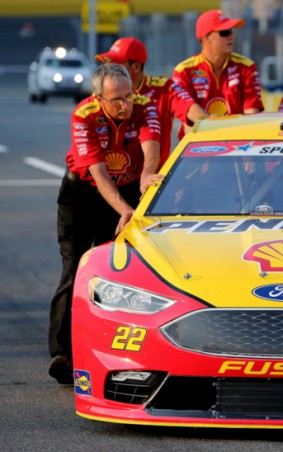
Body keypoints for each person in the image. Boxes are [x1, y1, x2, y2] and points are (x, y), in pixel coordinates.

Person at [48, 64, 162, 384]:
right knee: (76, 270)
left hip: (128, 186)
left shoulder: (143, 105)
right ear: (99, 98)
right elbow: (98, 173)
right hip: (83, 193)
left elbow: (150, 144)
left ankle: (118, 350)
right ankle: (62, 353)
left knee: (121, 274)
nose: (126, 104)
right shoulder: (83, 115)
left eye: (128, 96)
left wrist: (145, 178)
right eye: (117, 100)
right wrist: (124, 209)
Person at [96, 37, 208, 169]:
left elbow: (191, 109)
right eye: (107, 65)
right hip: (113, 177)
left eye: (115, 66)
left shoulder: (163, 88)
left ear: (136, 67)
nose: (109, 71)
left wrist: (209, 123)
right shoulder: (103, 94)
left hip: (152, 181)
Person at [172, 9, 263, 127]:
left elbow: (252, 117)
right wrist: (210, 122)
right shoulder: (184, 71)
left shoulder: (246, 67)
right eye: (225, 32)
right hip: (200, 141)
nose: (231, 37)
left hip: (238, 140)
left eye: (231, 31)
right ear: (207, 38)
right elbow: (187, 114)